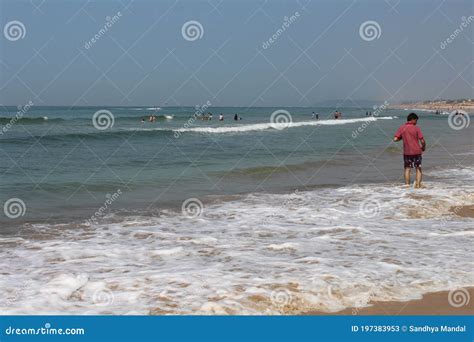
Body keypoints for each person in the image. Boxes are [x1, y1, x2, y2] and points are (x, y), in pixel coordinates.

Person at [393, 113, 426, 188]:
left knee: (407, 169)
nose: (416, 122)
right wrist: (423, 147)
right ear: (413, 120)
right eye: (416, 120)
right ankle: (417, 185)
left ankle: (407, 185)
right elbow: (422, 141)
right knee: (418, 168)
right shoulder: (416, 128)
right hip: (417, 152)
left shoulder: (402, 128)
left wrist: (402, 138)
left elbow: (395, 139)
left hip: (407, 152)